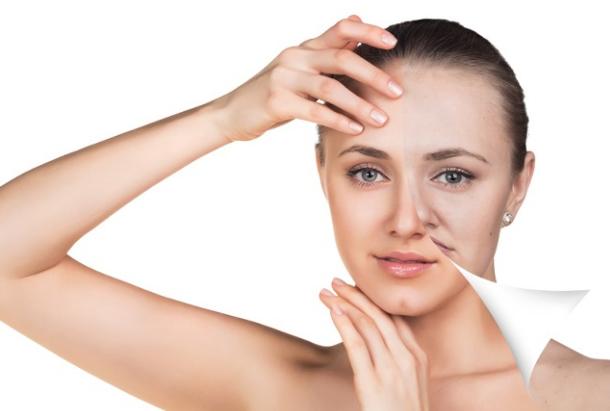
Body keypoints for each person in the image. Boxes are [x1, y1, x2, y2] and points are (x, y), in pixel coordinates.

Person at [0, 14, 608, 411]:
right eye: (367, 172)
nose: (406, 219)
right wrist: (223, 119)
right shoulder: (274, 386)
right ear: (324, 175)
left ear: (517, 187)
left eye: (453, 176)